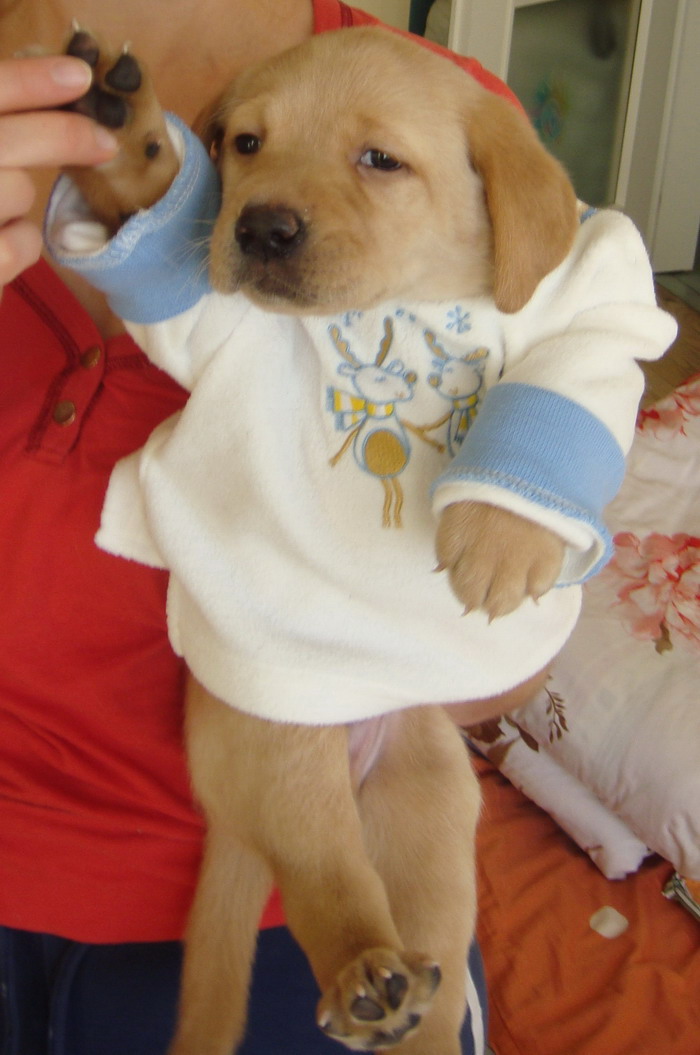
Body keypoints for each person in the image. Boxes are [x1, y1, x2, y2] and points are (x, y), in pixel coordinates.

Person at [0, 1, 558, 1051]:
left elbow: (506, 654)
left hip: (286, 856)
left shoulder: (443, 102)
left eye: (378, 162)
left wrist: (534, 489)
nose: (269, 206)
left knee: (424, 816)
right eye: (245, 146)